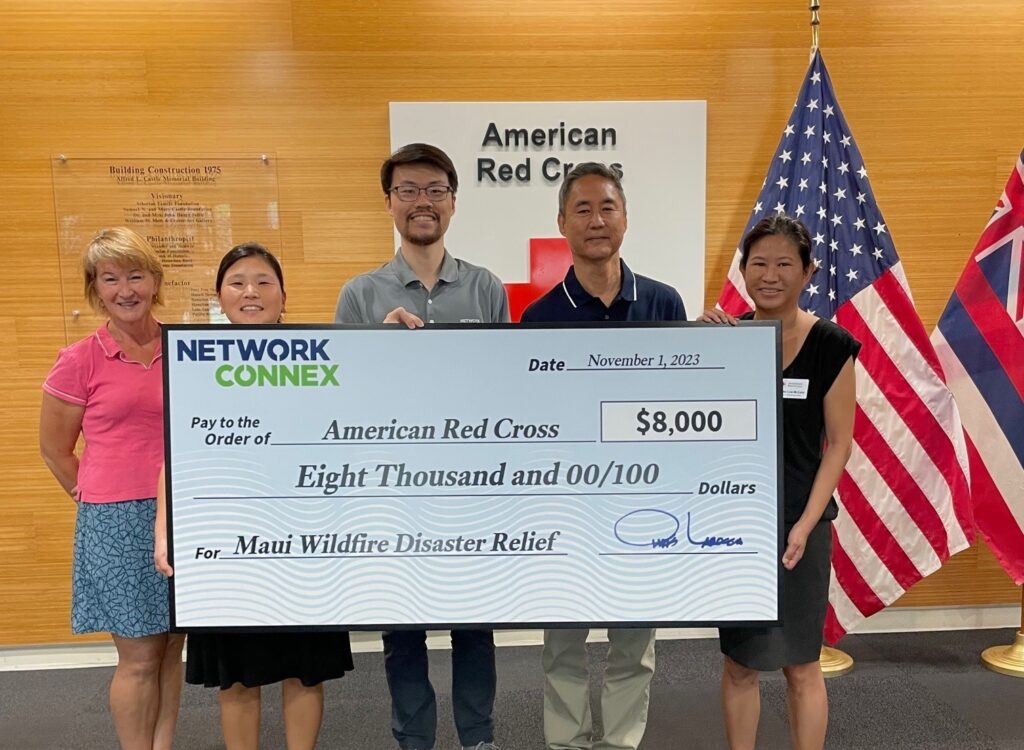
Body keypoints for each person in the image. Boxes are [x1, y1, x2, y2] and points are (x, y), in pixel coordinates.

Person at [336, 143, 508, 750]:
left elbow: (503, 387)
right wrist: (375, 351)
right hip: (393, 492)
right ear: (389, 204)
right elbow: (340, 397)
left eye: (435, 189)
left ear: (453, 203)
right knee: (401, 632)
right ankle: (413, 738)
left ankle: (478, 738)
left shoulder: (486, 288)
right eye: (407, 190)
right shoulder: (360, 295)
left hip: (470, 490)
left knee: (474, 627)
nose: (422, 202)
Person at [154, 243, 354, 750]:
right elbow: (176, 452)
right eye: (237, 282)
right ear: (219, 297)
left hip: (306, 537)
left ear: (283, 295)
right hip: (226, 540)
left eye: (264, 281)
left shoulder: (322, 356)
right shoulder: (194, 361)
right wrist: (165, 530)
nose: (250, 292)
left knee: (304, 669)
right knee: (236, 673)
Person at [521, 162, 686, 750]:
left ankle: (620, 743)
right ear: (562, 221)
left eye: (607, 207)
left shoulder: (665, 303)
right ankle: (566, 742)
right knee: (562, 645)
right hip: (567, 511)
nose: (596, 220)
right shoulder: (538, 318)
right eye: (583, 209)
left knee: (633, 648)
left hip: (640, 510)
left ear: (626, 218)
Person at [698, 215, 858, 750]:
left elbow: (838, 444)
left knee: (801, 666)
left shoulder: (832, 345)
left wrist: (805, 523)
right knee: (740, 663)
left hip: (801, 526)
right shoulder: (726, 339)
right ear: (742, 271)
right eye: (758, 263)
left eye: (784, 263)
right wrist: (695, 353)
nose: (770, 275)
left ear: (807, 271)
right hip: (735, 525)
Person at [39, 227, 185, 750]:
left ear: (155, 281)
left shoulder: (182, 349)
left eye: (136, 275)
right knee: (140, 657)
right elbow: (55, 449)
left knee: (172, 648)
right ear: (95, 288)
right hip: (116, 521)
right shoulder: (80, 359)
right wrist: (96, 498)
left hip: (184, 514)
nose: (126, 289)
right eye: (111, 278)